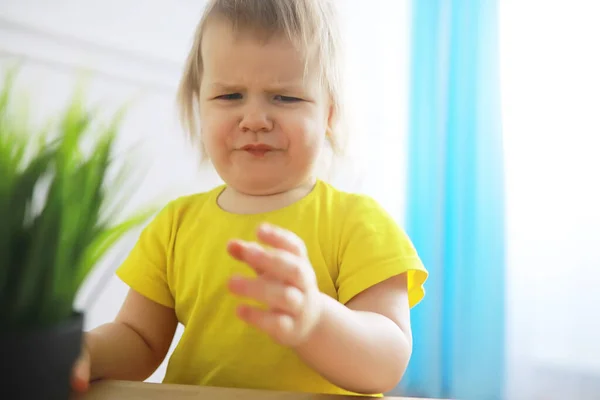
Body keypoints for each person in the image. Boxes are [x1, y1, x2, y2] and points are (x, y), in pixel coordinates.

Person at [71, 0, 428, 396]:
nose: (255, 118)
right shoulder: (175, 225)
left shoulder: (359, 222)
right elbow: (138, 338)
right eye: (229, 97)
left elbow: (386, 363)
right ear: (200, 106)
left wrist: (315, 318)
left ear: (329, 114)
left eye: (285, 98)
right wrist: (84, 350)